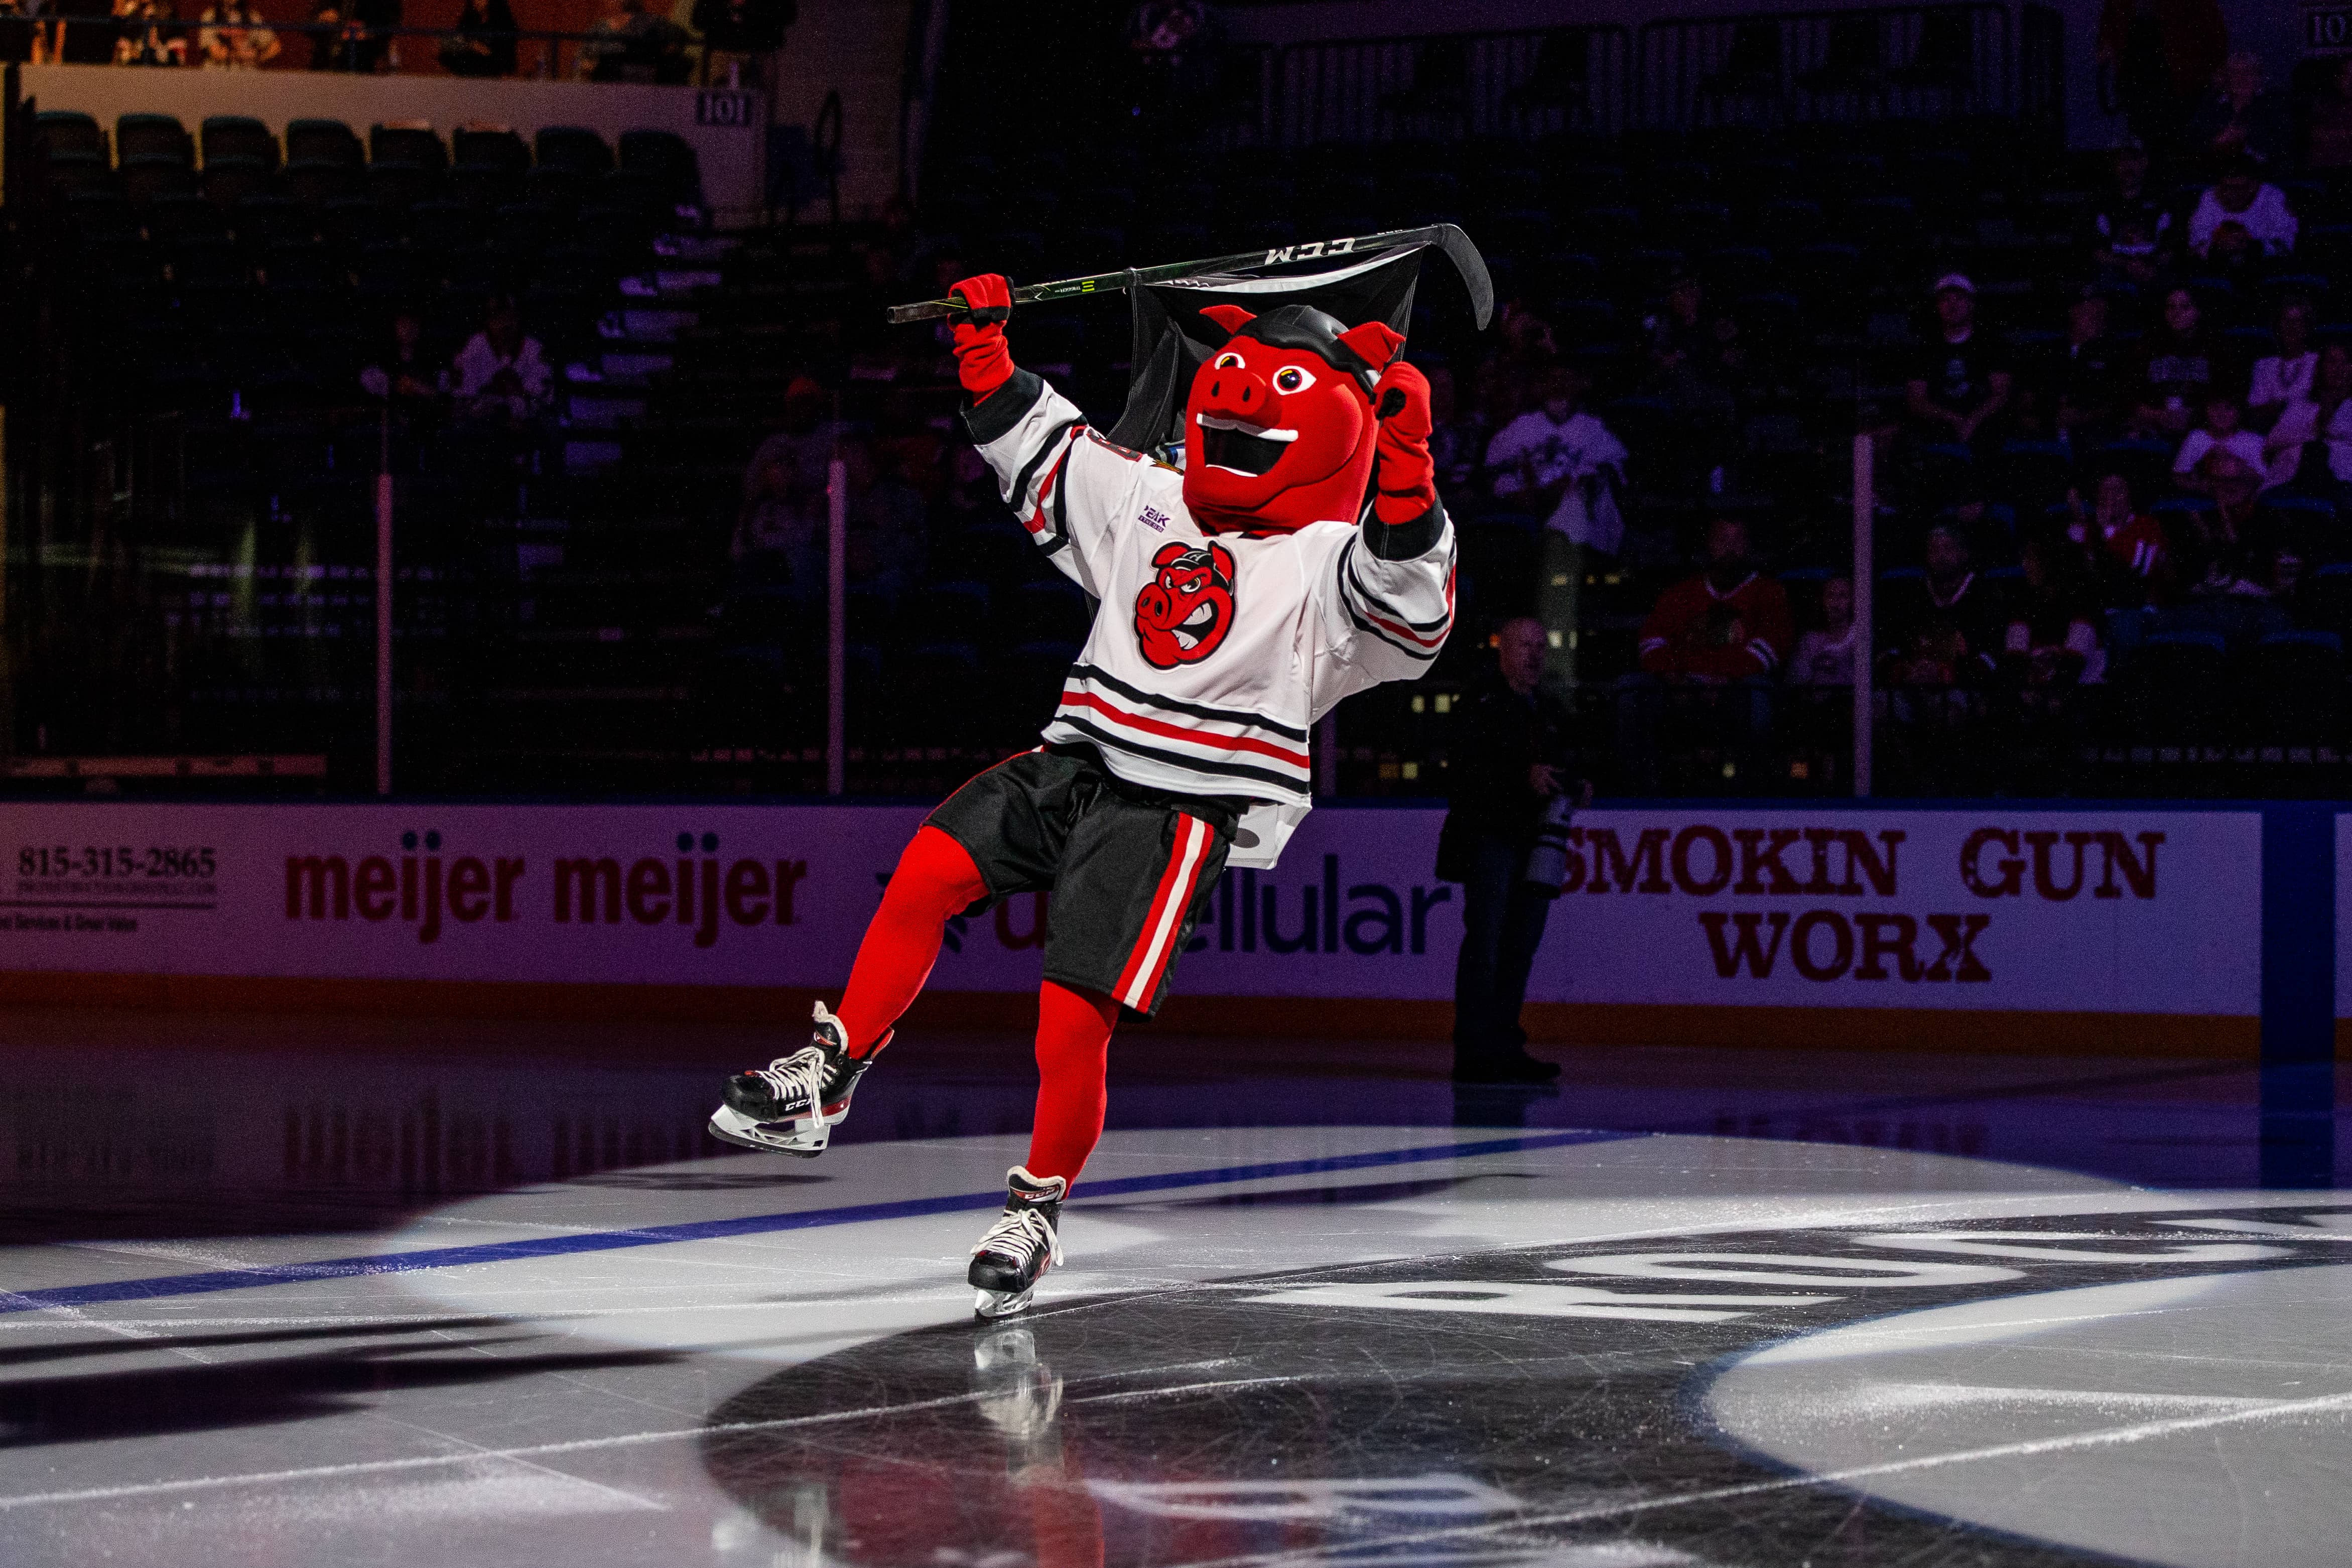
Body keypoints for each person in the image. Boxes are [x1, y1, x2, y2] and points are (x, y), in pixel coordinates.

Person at [706, 273, 1456, 1319]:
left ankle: (1038, 1207)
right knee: (926, 868)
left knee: (1068, 1025)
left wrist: (1410, 465)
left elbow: (1414, 611)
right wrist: (984, 352)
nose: (1241, 400)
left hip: (1173, 809)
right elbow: (1049, 450)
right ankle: (831, 1075)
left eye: (1279, 386)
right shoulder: (1152, 494)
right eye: (1232, 375)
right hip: (1076, 758)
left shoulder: (1326, 564)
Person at [1436, 618, 1584, 1086]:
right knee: (1488, 945)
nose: (1536, 654)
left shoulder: (1547, 708)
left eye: (1542, 646)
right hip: (1491, 839)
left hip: (1533, 842)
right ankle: (1478, 1050)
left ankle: (1503, 1046)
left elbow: (1569, 758)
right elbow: (1464, 772)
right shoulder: (1480, 703)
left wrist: (1576, 782)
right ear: (1503, 649)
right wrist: (1522, 778)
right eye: (1526, 645)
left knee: (1518, 947)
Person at [1483, 365, 1629, 555]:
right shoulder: (1522, 426)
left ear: (1578, 385)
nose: (1558, 386)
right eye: (1553, 380)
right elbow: (1494, 472)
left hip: (1576, 512)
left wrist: (1572, 485)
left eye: (1566, 379)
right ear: (1542, 386)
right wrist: (1517, 492)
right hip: (1526, 508)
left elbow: (1612, 470)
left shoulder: (1593, 428)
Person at [1636, 515, 1792, 680]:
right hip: (1681, 686)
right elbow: (1651, 642)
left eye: (1739, 539)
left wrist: (1721, 677)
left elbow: (1771, 649)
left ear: (1749, 545)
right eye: (1722, 539)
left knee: (1757, 686)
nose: (1730, 548)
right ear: (1709, 543)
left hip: (1739, 687)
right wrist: (1679, 676)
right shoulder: (1680, 593)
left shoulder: (1770, 591)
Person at [1879, 523, 2003, 686]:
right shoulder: (1912, 596)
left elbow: (1992, 653)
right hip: (1913, 684)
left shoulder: (1985, 594)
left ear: (1964, 554)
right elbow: (1896, 647)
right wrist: (1906, 671)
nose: (1941, 555)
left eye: (1948, 548)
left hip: (1968, 687)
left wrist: (1947, 673)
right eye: (1934, 550)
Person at [1906, 275, 2010, 448]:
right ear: (1938, 307)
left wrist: (1972, 421)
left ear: (1971, 304)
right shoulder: (1924, 348)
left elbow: (2001, 395)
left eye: (1959, 299)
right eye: (1946, 300)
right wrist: (1951, 418)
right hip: (1937, 425)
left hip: (1984, 424)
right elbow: (1916, 400)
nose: (1952, 305)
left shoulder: (1993, 345)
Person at [2001, 536, 2103, 686]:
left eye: (2031, 558)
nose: (2025, 565)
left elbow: (2073, 665)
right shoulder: (2024, 602)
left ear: (2050, 561)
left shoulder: (2084, 602)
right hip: (2035, 692)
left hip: (2081, 691)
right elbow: (2014, 659)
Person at [2067, 472, 2171, 606]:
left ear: (2129, 495)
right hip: (2101, 607)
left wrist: (2108, 530)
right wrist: (2078, 517)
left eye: (2118, 490)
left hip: (2139, 606)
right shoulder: (2091, 528)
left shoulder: (2148, 525)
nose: (2111, 496)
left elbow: (2140, 569)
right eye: (2105, 491)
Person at [2082, 140, 2175, 289]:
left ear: (2144, 162)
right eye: (2121, 160)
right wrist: (2127, 265)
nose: (2127, 166)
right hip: (2113, 272)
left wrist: (2149, 267)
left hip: (2154, 270)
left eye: (2133, 159)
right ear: (2113, 164)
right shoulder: (2100, 203)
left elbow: (2171, 249)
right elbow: (2096, 251)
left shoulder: (2162, 200)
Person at [450, 295, 551, 425]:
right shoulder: (475, 346)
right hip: (481, 422)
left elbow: (542, 396)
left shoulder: (534, 348)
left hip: (524, 423)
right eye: (498, 318)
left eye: (510, 317)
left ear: (518, 319)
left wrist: (517, 411)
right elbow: (465, 393)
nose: (505, 324)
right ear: (488, 321)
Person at [2132, 287, 2214, 438]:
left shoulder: (2215, 347)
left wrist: (2195, 413)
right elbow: (2130, 393)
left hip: (2203, 426)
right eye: (2171, 307)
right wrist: (2155, 414)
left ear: (2198, 311)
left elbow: (2226, 394)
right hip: (2154, 423)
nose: (2177, 313)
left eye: (2185, 307)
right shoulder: (2148, 347)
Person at [2185, 51, 2289, 168]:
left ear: (2258, 77)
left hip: (2260, 174)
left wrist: (2245, 141)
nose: (2241, 79)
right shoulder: (2211, 104)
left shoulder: (2273, 105)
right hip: (2216, 172)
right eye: (2235, 73)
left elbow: (2283, 146)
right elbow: (2192, 140)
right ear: (2226, 78)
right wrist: (2216, 142)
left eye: (2248, 73)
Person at [2187, 157, 2299, 258]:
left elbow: (2286, 244)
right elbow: (2196, 244)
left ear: (2255, 184)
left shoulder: (2273, 197)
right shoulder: (2208, 198)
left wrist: (2253, 247)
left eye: (2242, 188)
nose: (2234, 194)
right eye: (2229, 187)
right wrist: (2219, 247)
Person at [359, 305, 444, 415]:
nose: (409, 329)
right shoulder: (381, 361)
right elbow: (374, 386)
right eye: (404, 324)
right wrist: (404, 387)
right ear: (395, 327)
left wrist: (428, 392)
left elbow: (442, 392)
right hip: (390, 419)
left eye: (413, 324)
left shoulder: (433, 362)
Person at [2249, 298, 2316, 433]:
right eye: (2286, 321)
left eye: (2298, 321)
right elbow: (2256, 411)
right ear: (2277, 326)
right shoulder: (2263, 365)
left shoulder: (2317, 362)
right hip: (2268, 432)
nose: (2291, 327)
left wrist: (2278, 407)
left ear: (2307, 327)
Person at [1786, 575, 1857, 686]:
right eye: (1831, 595)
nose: (1836, 602)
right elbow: (1799, 682)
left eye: (1843, 595)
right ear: (1822, 601)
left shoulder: (1861, 637)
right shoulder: (1809, 641)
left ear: (1853, 601)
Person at [439, 0, 516, 76]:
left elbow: (505, 52)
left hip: (492, 67)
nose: (477, 2)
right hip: (470, 64)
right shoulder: (469, 19)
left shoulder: (503, 22)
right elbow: (461, 38)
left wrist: (484, 50)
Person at [196, 0, 276, 66]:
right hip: (217, 75)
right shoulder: (210, 16)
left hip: (248, 76)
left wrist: (260, 57)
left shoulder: (252, 16)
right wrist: (244, 55)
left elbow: (275, 46)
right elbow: (217, 54)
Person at [110, 0, 182, 63]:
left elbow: (170, 32)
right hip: (137, 45)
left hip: (161, 46)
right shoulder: (132, 8)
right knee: (125, 51)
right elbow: (126, 31)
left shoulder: (165, 8)